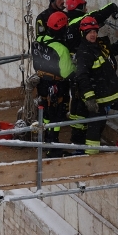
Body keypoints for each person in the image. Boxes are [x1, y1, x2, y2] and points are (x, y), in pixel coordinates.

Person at [75, 16, 118, 154]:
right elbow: (82, 76)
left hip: (113, 93)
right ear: (83, 33)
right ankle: (91, 156)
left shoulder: (99, 45)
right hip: (99, 96)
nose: (93, 34)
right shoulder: (84, 53)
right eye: (89, 32)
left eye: (95, 31)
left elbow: (113, 50)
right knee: (96, 125)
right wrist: (90, 98)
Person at [65, 0, 118, 146]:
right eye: (84, 6)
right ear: (80, 7)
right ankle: (84, 142)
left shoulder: (67, 22)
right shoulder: (79, 22)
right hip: (85, 69)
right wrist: (113, 7)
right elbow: (98, 14)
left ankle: (77, 140)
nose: (86, 9)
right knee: (88, 110)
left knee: (77, 107)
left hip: (74, 69)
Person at [32, 11, 75, 157]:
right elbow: (67, 73)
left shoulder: (39, 39)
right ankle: (53, 146)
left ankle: (44, 140)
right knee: (56, 115)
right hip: (56, 85)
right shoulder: (61, 49)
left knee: (45, 111)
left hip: (42, 82)